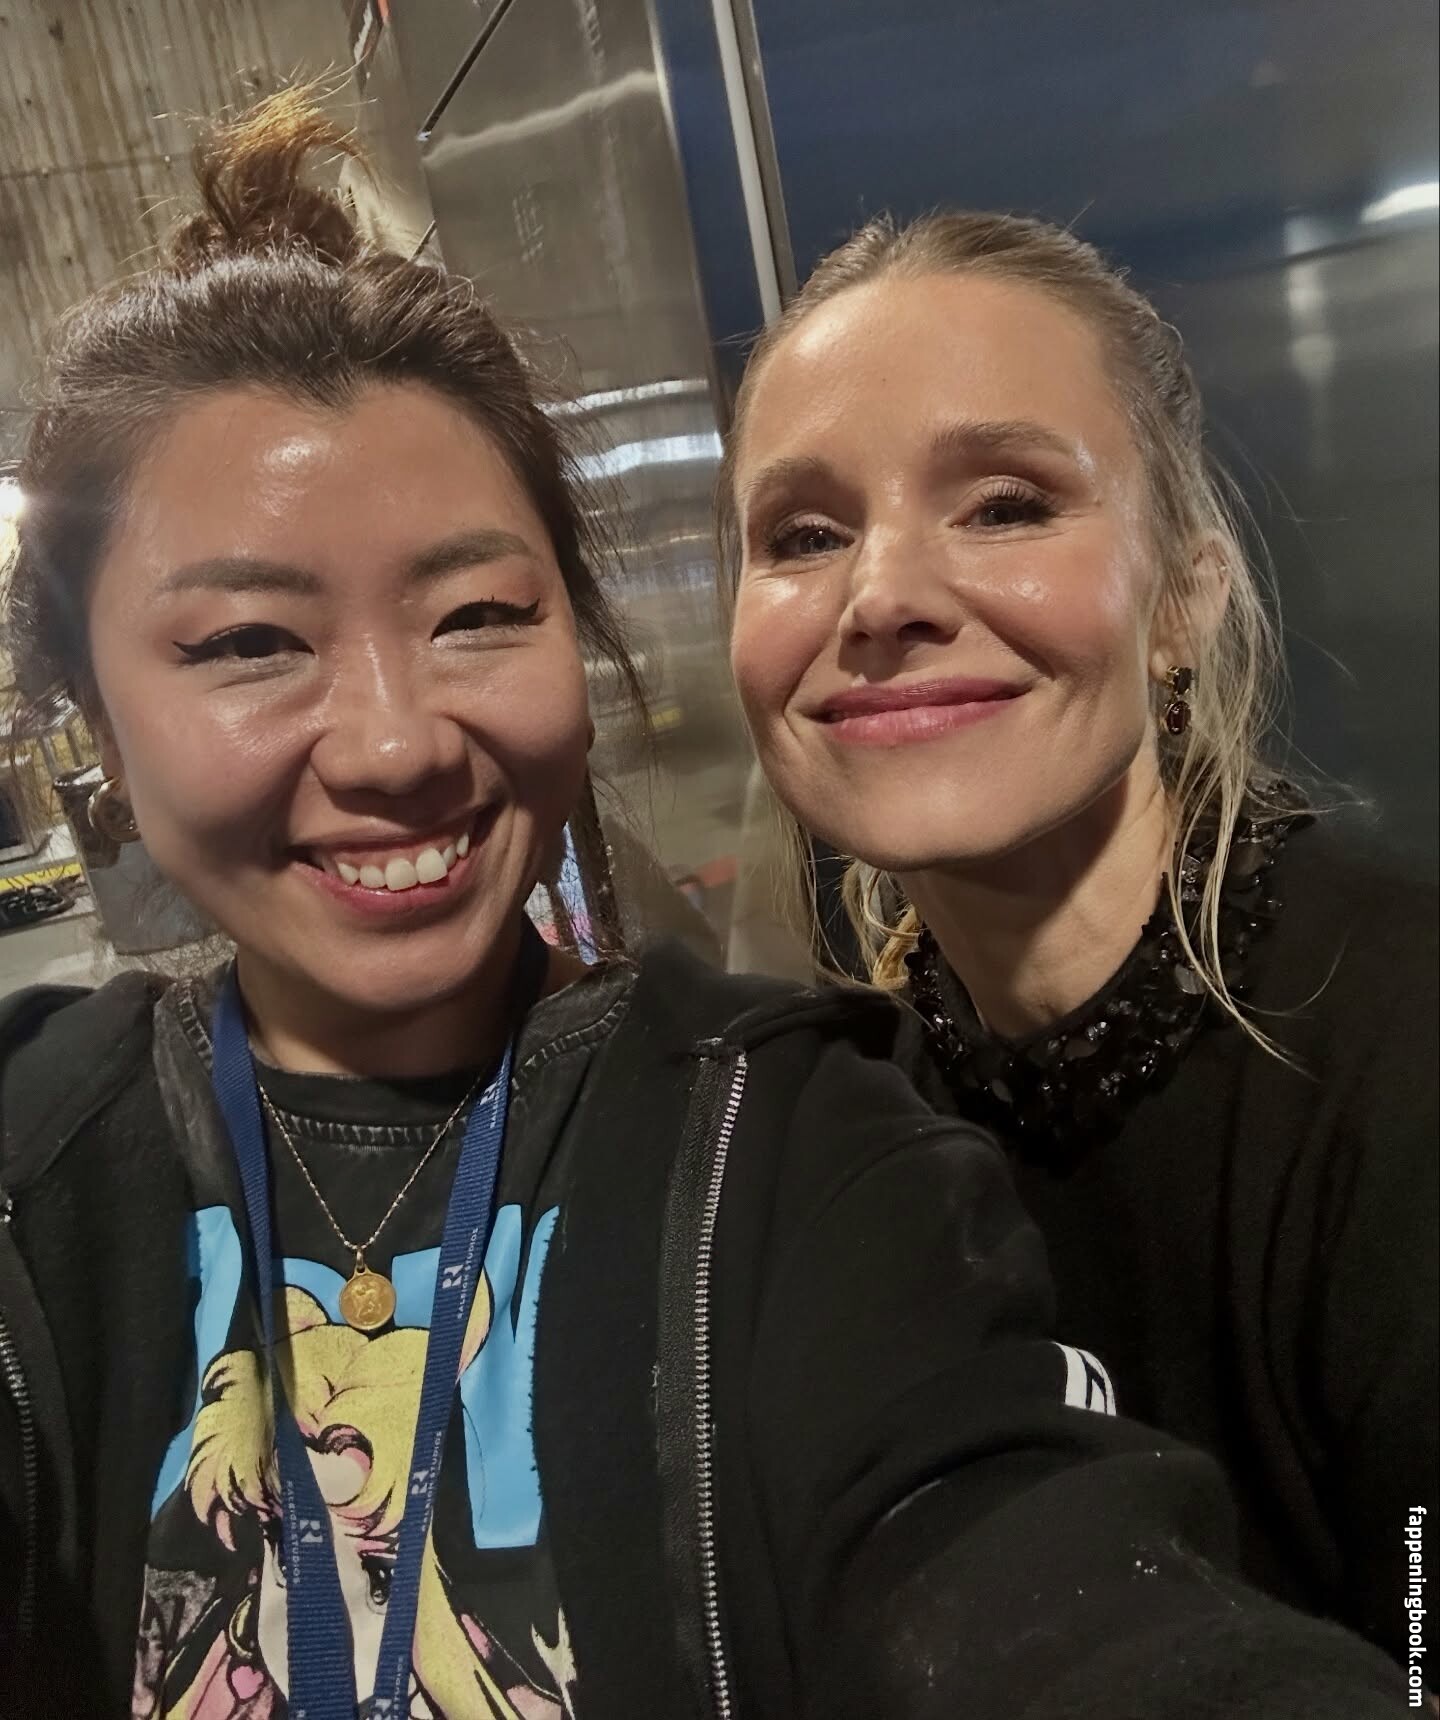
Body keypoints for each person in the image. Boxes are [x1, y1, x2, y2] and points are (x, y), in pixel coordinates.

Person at [0, 96, 1410, 1720]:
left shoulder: (789, 1133)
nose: (394, 743)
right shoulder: (38, 1156)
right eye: (250, 642)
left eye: (475, 613)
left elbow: (1016, 1571)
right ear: (93, 725)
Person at [723, 209, 1439, 1684]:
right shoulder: (842, 1116)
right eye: (803, 535)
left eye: (1004, 505)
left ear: (1183, 597)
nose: (880, 597)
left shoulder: (1405, 1038)